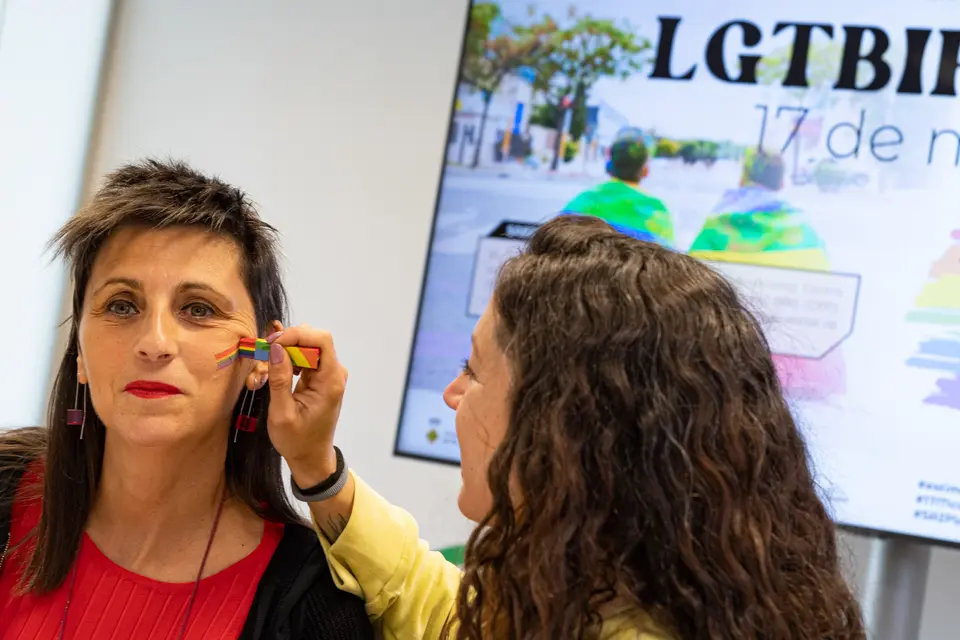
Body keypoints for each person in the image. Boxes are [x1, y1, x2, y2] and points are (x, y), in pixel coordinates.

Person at [263, 215, 866, 639]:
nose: (452, 395)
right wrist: (317, 468)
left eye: (473, 371)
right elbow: (440, 610)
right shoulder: (620, 592)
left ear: (563, 419)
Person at [0, 160, 373, 639]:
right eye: (121, 305)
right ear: (81, 355)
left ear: (264, 357)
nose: (154, 342)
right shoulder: (7, 498)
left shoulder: (312, 606)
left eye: (198, 310)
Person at [688, 148, 845, 401]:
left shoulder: (718, 225)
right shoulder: (802, 229)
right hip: (795, 368)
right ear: (782, 183)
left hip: (725, 362)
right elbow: (821, 305)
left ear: (743, 178)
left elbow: (689, 291)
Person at [561, 127, 674, 246]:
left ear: (609, 165)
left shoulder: (583, 200)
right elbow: (666, 261)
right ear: (645, 170)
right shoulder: (656, 211)